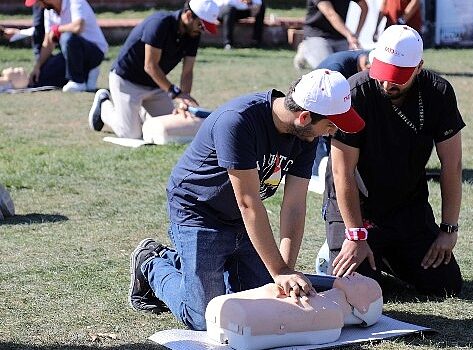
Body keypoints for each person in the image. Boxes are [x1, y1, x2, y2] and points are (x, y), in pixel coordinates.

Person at [128, 69, 365, 331]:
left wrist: (285, 270)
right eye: (330, 124)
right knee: (204, 318)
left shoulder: (306, 135)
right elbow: (248, 202)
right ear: (304, 116)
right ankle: (152, 262)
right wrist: (279, 272)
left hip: (240, 220)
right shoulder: (238, 121)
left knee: (258, 303)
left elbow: (295, 205)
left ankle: (195, 263)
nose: (332, 132)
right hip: (198, 211)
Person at [323, 25, 463, 297]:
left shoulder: (439, 93)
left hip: (407, 207)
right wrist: (355, 234)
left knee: (445, 285)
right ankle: (339, 248)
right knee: (359, 290)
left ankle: (387, 256)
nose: (388, 84)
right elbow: (342, 173)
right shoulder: (355, 93)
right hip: (357, 210)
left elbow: (452, 165)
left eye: (398, 77)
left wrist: (448, 229)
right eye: (383, 73)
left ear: (419, 67)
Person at [87, 0, 219, 140]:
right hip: (127, 81)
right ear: (188, 15)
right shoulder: (159, 23)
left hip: (155, 85)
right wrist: (176, 93)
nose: (201, 30)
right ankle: (104, 106)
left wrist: (183, 102)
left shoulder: (193, 33)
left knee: (173, 125)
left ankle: (138, 112)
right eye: (201, 25)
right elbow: (150, 66)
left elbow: (187, 72)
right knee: (131, 134)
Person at [206, 273, 382, 349]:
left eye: (365, 283)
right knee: (270, 290)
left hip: (245, 320)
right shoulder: (326, 305)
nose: (357, 275)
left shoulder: (332, 315)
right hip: (234, 314)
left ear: (364, 308)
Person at [310, 49, 371, 192]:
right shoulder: (335, 69)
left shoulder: (367, 56)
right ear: (367, 67)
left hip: (338, 105)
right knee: (322, 131)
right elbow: (324, 106)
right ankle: (316, 172)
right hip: (320, 107)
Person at [26, 0, 108, 92]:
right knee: (42, 78)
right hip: (71, 55)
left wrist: (58, 29)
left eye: (38, 2)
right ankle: (86, 74)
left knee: (67, 37)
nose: (38, 6)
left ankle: (78, 81)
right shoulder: (48, 12)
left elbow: (78, 27)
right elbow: (48, 43)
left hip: (95, 52)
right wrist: (37, 67)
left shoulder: (75, 1)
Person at [293, 0, 369, 70]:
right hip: (317, 36)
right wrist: (350, 36)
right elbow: (330, 14)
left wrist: (357, 34)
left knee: (358, 64)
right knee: (329, 70)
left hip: (340, 37)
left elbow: (364, 7)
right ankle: (305, 47)